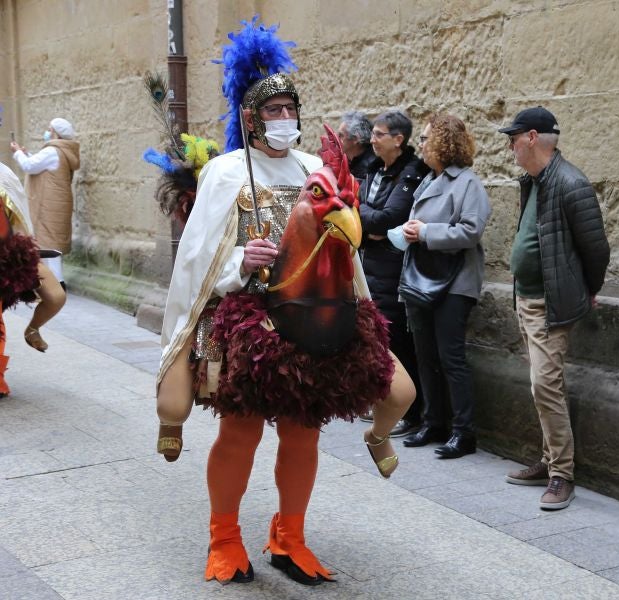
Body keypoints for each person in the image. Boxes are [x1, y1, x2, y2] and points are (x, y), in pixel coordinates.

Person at [155, 18, 414, 588]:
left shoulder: (312, 170)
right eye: (273, 112)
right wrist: (238, 263)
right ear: (250, 119)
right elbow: (197, 259)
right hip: (247, 320)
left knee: (304, 432)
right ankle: (224, 538)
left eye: (289, 109)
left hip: (314, 320)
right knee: (241, 432)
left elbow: (341, 243)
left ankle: (288, 536)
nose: (284, 119)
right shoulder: (226, 173)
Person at [497, 106, 610, 511]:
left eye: (513, 139)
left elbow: (596, 248)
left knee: (545, 385)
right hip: (526, 299)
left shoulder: (570, 183)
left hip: (551, 304)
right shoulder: (534, 181)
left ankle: (562, 473)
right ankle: (548, 462)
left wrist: (589, 288)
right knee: (540, 386)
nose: (510, 147)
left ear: (531, 137)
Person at [400, 113, 491, 459]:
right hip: (423, 278)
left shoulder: (468, 183)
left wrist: (424, 233)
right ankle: (433, 422)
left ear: (442, 142)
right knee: (426, 356)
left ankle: (464, 431)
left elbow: (471, 231)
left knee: (451, 358)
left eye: (425, 139)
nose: (420, 145)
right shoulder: (428, 180)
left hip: (455, 283)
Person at [358, 110, 428, 438]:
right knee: (375, 339)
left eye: (379, 134)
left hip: (392, 271)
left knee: (396, 341)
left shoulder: (412, 172)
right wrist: (368, 223)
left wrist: (370, 222)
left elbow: (391, 216)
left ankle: (409, 411)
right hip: (369, 267)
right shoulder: (374, 170)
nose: (372, 139)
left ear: (398, 140)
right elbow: (354, 213)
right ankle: (382, 399)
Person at [0, 161, 66, 366]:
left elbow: (19, 222)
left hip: (11, 255)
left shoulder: (4, 174)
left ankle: (32, 329)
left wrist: (23, 251)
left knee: (56, 296)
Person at [10, 116, 81, 285]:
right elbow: (44, 166)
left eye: (50, 130)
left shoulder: (52, 151)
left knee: (49, 243)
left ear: (56, 134)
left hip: (49, 205)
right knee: (52, 243)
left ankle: (57, 284)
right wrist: (27, 154)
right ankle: (52, 282)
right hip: (57, 203)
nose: (47, 133)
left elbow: (29, 166)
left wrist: (18, 153)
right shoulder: (62, 151)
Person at [338, 111, 377, 182]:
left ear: (356, 139)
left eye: (341, 135)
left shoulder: (370, 169)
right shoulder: (345, 160)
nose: (337, 138)